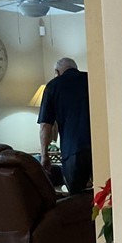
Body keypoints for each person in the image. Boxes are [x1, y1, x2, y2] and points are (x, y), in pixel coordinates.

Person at [37, 57, 92, 193]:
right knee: (102, 195)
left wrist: (45, 156)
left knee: (75, 196)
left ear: (57, 71)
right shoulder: (90, 79)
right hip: (97, 145)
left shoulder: (52, 86)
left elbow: (45, 125)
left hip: (72, 150)